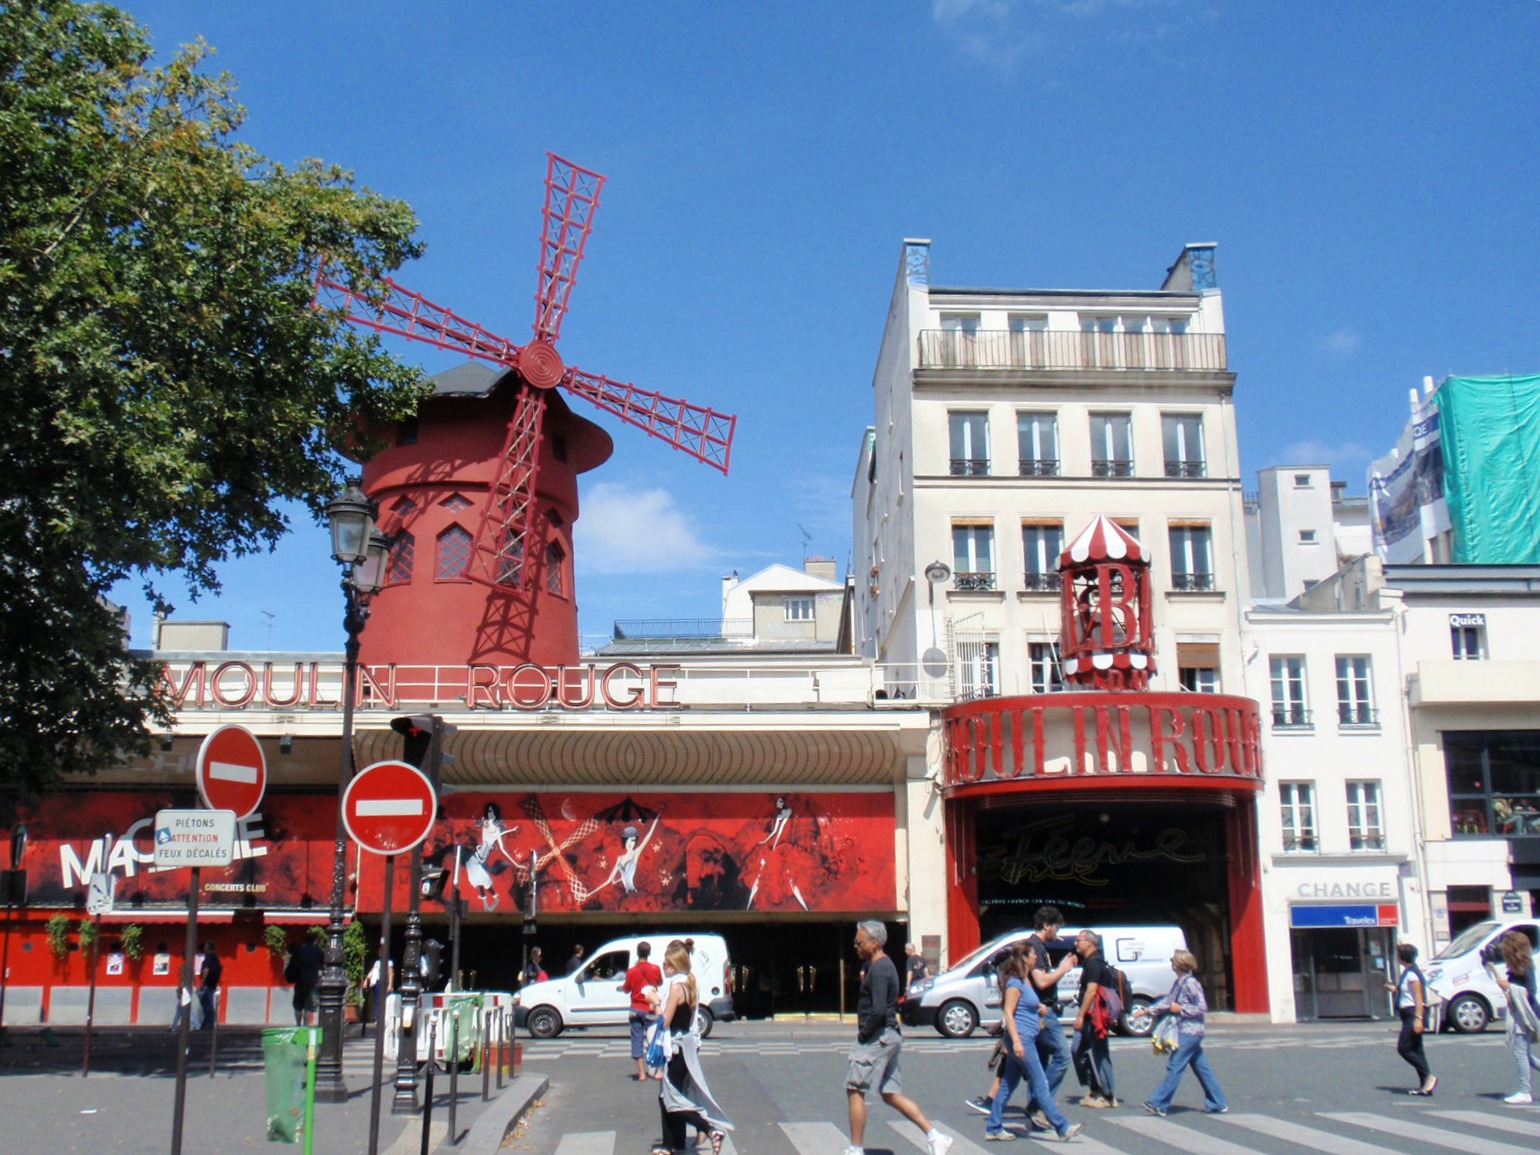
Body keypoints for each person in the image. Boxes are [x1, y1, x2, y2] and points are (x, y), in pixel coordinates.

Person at [845, 919, 954, 1155]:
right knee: (890, 1093)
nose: (856, 946)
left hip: (878, 1035)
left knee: (855, 1088)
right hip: (889, 1035)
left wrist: (864, 1034)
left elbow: (879, 1009)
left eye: (859, 942)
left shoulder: (880, 968)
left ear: (874, 943)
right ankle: (935, 1137)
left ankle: (855, 1149)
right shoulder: (882, 966)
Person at [985, 947, 1084, 1143]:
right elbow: (1008, 1013)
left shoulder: (1025, 980)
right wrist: (1016, 1042)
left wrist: (1039, 1009)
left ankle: (993, 1126)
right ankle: (1062, 1126)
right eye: (1032, 955)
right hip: (1022, 1040)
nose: (1036, 958)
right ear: (1024, 958)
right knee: (1040, 1083)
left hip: (1025, 1038)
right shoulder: (1015, 983)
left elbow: (1025, 1006)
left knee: (1007, 1085)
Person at [653, 940, 732, 1155]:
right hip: (685, 1046)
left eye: (667, 964)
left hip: (677, 1048)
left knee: (672, 1099)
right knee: (669, 1096)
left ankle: (709, 1128)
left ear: (676, 966)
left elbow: (665, 1022)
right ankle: (673, 1145)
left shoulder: (677, 988)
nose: (663, 967)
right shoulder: (689, 985)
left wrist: (655, 1003)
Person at [1141, 949, 1229, 1116]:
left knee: (1175, 1065)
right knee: (1201, 1068)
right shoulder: (1180, 982)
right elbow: (1168, 1002)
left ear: (1180, 963)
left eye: (1173, 960)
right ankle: (1218, 1102)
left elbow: (1202, 1007)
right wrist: (1147, 1011)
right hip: (1187, 1030)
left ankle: (1158, 1102)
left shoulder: (1190, 983)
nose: (1171, 963)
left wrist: (1181, 1009)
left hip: (1190, 1030)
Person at [1069, 929, 1116, 1108]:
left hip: (1094, 1016)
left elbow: (1091, 991)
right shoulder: (1090, 962)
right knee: (1076, 1050)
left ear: (1089, 942)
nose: (1075, 943)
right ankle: (1095, 1088)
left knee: (1100, 1053)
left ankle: (1108, 1095)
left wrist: (1080, 1015)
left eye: (1078, 940)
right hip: (1089, 1015)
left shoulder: (1094, 963)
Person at [1384, 943, 1436, 1096]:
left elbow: (1418, 998)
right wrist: (1395, 989)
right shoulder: (1408, 972)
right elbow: (1407, 993)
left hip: (1413, 1014)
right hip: (1408, 1013)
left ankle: (1428, 1076)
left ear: (1402, 957)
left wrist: (1418, 1019)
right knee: (1417, 1049)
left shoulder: (1412, 974)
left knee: (1404, 1048)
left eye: (1397, 954)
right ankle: (1425, 1085)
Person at [1494, 930, 1540, 1104]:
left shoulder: (1524, 968)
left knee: (1520, 1053)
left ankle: (1524, 1091)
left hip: (1526, 1014)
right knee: (1525, 1054)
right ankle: (1524, 1090)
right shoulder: (1519, 968)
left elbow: (1529, 993)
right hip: (1522, 1012)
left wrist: (1509, 986)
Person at [623, 940, 665, 1081]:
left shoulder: (632, 971)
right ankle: (656, 1070)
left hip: (635, 1008)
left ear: (637, 953)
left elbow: (626, 988)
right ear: (649, 953)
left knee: (637, 1039)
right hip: (651, 1009)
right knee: (654, 1039)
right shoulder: (655, 969)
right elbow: (659, 983)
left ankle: (641, 1073)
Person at [285, 935, 324, 1026]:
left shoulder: (299, 950)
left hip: (300, 981)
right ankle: (305, 1026)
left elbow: (293, 963)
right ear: (315, 941)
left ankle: (298, 1024)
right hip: (312, 981)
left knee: (298, 1005)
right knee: (309, 1006)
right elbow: (323, 964)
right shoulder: (318, 951)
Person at [197, 941, 222, 1031]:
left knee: (206, 1003)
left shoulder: (208, 957)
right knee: (208, 1002)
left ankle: (209, 1022)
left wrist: (202, 983)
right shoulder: (216, 957)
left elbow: (206, 970)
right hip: (213, 983)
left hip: (208, 983)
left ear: (207, 948)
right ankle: (208, 1022)